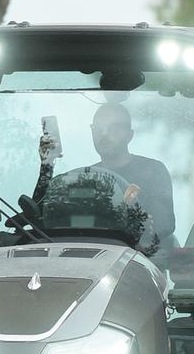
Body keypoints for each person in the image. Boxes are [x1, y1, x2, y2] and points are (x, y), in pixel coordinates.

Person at [35, 103, 176, 249]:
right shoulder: (82, 178)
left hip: (137, 261)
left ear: (130, 134)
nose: (104, 133)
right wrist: (47, 164)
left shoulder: (153, 172)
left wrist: (140, 223)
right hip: (79, 261)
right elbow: (39, 217)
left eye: (113, 128)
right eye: (98, 128)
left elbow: (163, 226)